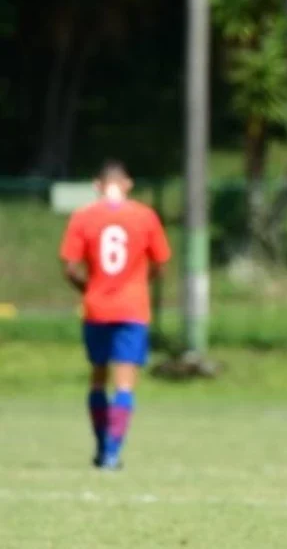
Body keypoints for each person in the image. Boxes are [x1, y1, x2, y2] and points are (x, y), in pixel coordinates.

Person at [59, 161, 171, 471]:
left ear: (97, 185)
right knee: (124, 384)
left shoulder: (83, 216)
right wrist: (140, 284)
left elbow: (69, 266)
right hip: (133, 308)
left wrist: (89, 289)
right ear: (128, 184)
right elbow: (161, 262)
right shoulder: (144, 216)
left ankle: (99, 446)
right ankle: (111, 453)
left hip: (96, 307)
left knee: (97, 378)